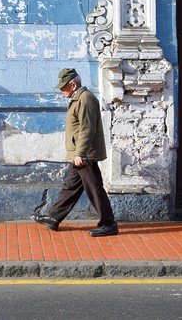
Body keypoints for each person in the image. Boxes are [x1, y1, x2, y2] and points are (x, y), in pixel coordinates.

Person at [32, 68, 119, 237]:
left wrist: (80, 154)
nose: (60, 90)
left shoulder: (85, 99)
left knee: (94, 189)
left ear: (73, 85)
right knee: (70, 187)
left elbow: (87, 129)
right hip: (78, 154)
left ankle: (109, 224)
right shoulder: (78, 98)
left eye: (63, 87)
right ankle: (53, 217)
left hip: (84, 155)